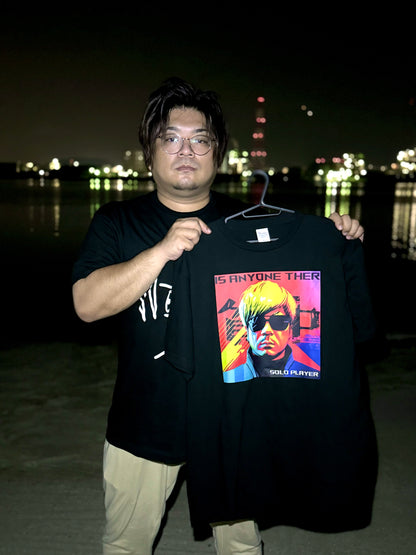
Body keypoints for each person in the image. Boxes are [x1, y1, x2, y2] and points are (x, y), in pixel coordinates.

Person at [71, 77, 365, 555]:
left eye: (201, 140)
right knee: (126, 544)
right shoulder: (116, 222)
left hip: (235, 422)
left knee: (241, 547)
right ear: (149, 153)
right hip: (144, 421)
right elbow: (87, 305)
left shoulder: (249, 224)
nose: (186, 151)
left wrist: (337, 246)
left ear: (219, 153)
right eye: (171, 138)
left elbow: (301, 310)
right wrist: (162, 251)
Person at [224, 280, 319, 382]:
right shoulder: (229, 377)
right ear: (246, 330)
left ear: (290, 329)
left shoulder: (312, 375)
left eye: (278, 321)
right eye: (257, 322)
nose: (266, 330)